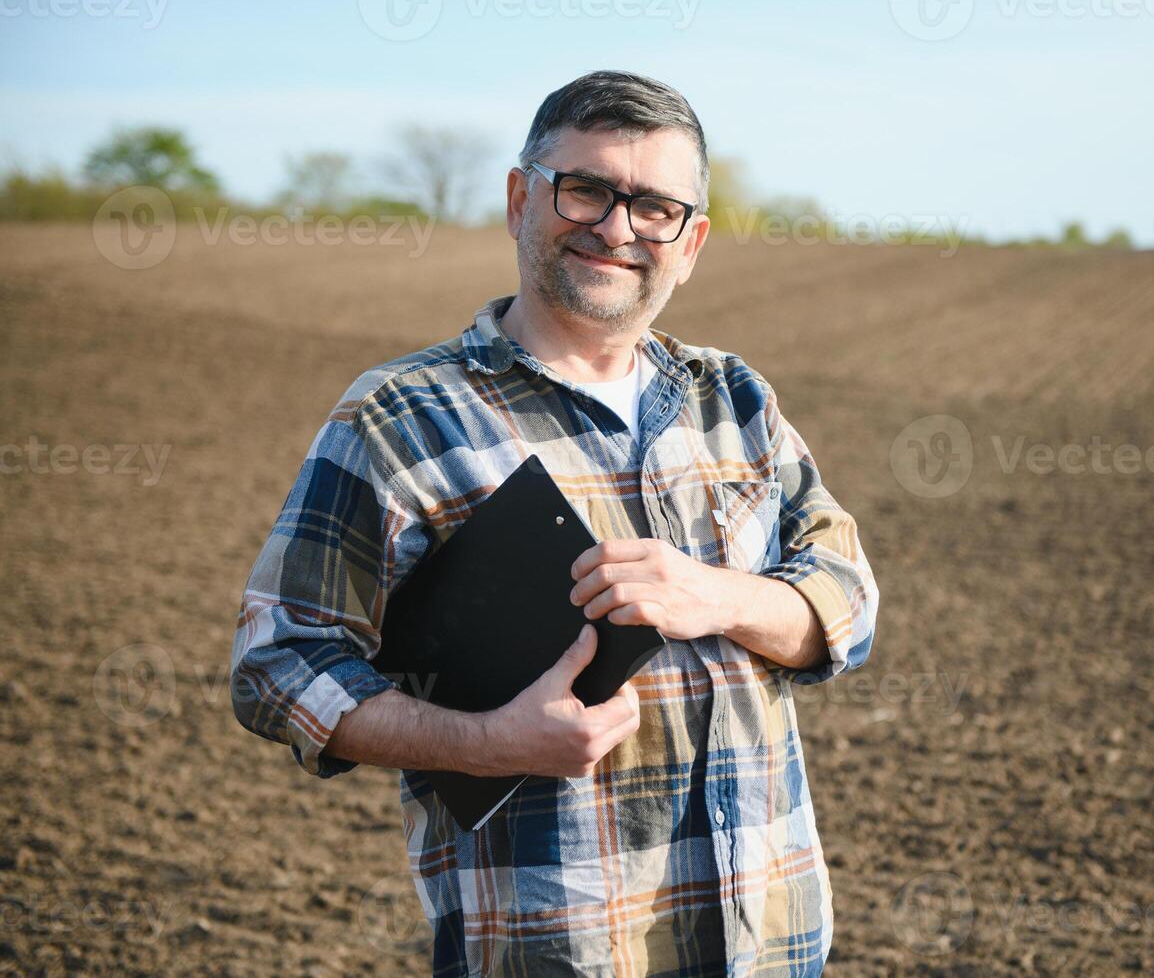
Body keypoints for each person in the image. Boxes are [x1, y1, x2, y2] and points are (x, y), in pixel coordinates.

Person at [229, 69, 879, 977]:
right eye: (585, 189)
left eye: (653, 207)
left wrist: (717, 596)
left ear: (690, 242)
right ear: (518, 199)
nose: (615, 228)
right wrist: (488, 745)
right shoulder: (401, 415)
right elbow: (277, 662)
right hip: (557, 954)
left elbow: (845, 595)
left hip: (774, 946)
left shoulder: (732, 398)